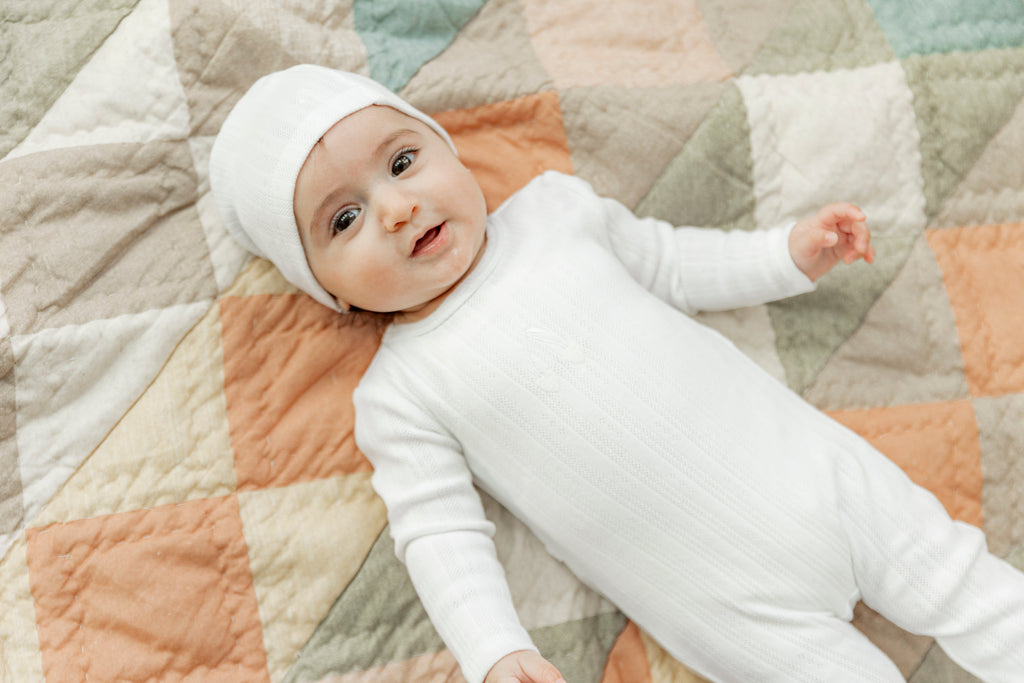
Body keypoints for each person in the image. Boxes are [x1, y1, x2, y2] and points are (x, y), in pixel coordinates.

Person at [209, 65, 1024, 683]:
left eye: (403, 160)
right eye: (343, 219)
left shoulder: (555, 214)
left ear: (447, 150)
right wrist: (495, 648)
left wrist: (786, 255)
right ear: (326, 288)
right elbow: (438, 533)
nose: (395, 208)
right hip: (724, 601)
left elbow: (674, 261)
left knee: (978, 590)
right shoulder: (400, 393)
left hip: (819, 478)